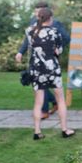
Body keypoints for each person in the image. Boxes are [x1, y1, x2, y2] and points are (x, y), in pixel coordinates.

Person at [25, 8, 75, 140]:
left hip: (37, 70)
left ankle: (37, 132)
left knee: (38, 102)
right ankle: (64, 130)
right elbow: (58, 51)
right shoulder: (54, 32)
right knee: (60, 100)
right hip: (52, 69)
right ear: (50, 18)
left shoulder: (30, 31)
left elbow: (31, 48)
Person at [16, 1, 70, 119]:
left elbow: (66, 38)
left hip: (50, 61)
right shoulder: (32, 23)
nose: (36, 14)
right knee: (38, 84)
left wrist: (58, 49)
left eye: (38, 12)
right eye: (35, 11)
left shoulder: (55, 24)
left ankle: (44, 111)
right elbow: (28, 40)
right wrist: (20, 52)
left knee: (42, 85)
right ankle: (54, 102)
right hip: (35, 60)